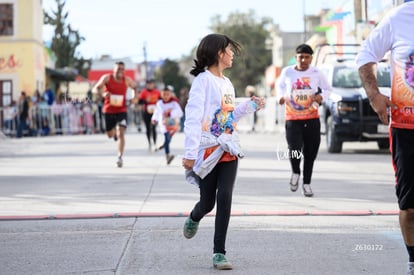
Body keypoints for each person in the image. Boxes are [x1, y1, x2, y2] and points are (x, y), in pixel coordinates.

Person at [181, 33, 265, 270]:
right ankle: (195, 216)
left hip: (228, 147)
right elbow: (193, 118)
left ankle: (219, 252)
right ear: (219, 53)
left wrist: (249, 106)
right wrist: (189, 153)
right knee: (207, 203)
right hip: (207, 149)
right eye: (230, 50)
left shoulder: (227, 83)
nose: (232, 55)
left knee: (225, 196)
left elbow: (228, 116)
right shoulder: (202, 81)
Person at [356, 2, 414, 274]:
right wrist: (374, 95)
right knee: (410, 207)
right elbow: (366, 54)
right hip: (407, 127)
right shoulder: (400, 16)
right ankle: (413, 261)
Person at [275, 44, 331, 197]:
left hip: (312, 118)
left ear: (311, 58)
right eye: (301, 57)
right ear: (296, 57)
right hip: (293, 118)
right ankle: (295, 172)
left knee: (310, 153)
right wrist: (280, 97)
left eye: (307, 57)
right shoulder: (287, 72)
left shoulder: (316, 73)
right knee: (294, 149)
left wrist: (321, 97)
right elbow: (279, 87)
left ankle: (307, 183)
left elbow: (327, 89)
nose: (304, 60)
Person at [92, 61, 137, 168]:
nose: (120, 71)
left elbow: (135, 87)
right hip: (108, 110)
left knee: (121, 133)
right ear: (114, 70)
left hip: (121, 110)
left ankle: (120, 157)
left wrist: (134, 98)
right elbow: (95, 89)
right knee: (110, 135)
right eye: (118, 69)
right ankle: (114, 133)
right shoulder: (107, 78)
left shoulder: (127, 80)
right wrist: (103, 93)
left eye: (122, 69)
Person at [151, 85, 183, 165]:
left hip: (173, 125)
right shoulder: (159, 103)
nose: (165, 96)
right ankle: (168, 155)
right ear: (161, 94)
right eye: (164, 94)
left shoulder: (174, 103)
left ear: (170, 94)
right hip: (164, 125)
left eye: (167, 94)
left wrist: (170, 113)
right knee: (167, 137)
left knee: (168, 140)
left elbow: (180, 112)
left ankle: (164, 145)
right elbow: (157, 112)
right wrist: (154, 119)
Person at [138, 79, 161, 151]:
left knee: (154, 128)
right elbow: (139, 102)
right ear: (147, 85)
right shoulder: (144, 92)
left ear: (153, 84)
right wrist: (145, 101)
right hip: (146, 112)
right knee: (148, 128)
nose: (150, 85)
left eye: (151, 84)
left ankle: (155, 143)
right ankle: (149, 143)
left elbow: (161, 100)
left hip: (155, 112)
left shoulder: (157, 92)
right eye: (149, 84)